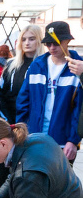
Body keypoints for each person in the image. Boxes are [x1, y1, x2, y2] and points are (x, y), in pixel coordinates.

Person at [15, 21, 83, 163]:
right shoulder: (37, 65)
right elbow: (23, 101)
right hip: (34, 138)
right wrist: (21, 130)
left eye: (56, 43)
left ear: (68, 41)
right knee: (34, 181)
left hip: (63, 142)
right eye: (48, 43)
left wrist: (73, 140)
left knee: (60, 183)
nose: (52, 47)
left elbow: (79, 110)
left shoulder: (78, 66)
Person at [0, 24, 45, 190]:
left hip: (35, 127)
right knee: (4, 172)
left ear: (39, 41)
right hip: (10, 125)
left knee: (29, 173)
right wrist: (7, 122)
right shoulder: (10, 65)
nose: (27, 43)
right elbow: (1, 95)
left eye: (32, 39)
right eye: (24, 39)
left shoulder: (45, 65)